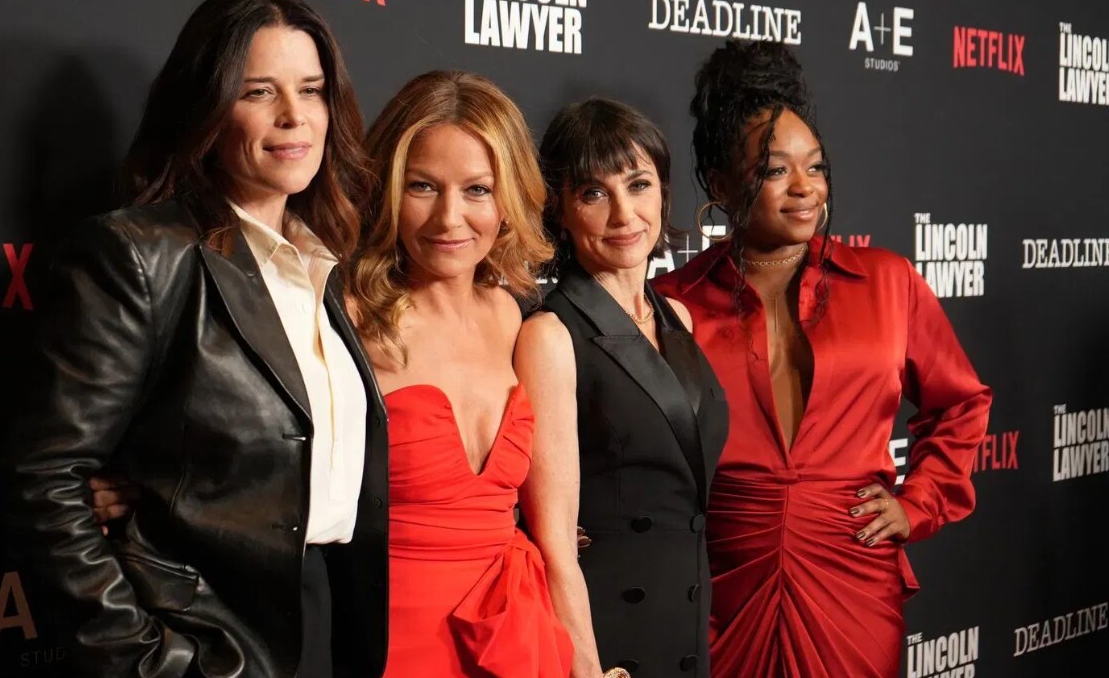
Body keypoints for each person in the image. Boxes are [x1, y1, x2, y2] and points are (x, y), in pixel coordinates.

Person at [7, 0, 387, 678]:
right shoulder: (139, 254)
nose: (294, 115)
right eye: (258, 92)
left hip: (330, 622)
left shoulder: (325, 261)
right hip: (210, 637)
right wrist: (144, 660)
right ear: (207, 108)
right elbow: (48, 479)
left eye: (311, 90)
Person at [651, 39, 992, 678]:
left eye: (816, 166)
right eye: (775, 170)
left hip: (850, 575)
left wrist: (918, 500)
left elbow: (962, 402)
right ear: (722, 185)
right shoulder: (671, 302)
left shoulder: (887, 282)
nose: (805, 188)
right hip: (721, 579)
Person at [348, 70, 572, 677]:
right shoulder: (347, 319)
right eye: (423, 186)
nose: (450, 218)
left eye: (477, 190)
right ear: (388, 188)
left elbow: (556, 539)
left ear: (510, 198)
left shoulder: (514, 318)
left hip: (514, 642)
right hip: (387, 646)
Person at [514, 98, 728, 678]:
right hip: (608, 627)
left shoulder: (678, 319)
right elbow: (554, 540)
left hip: (684, 612)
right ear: (559, 210)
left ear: (662, 192)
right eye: (594, 193)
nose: (623, 214)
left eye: (638, 185)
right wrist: (584, 664)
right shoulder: (550, 335)